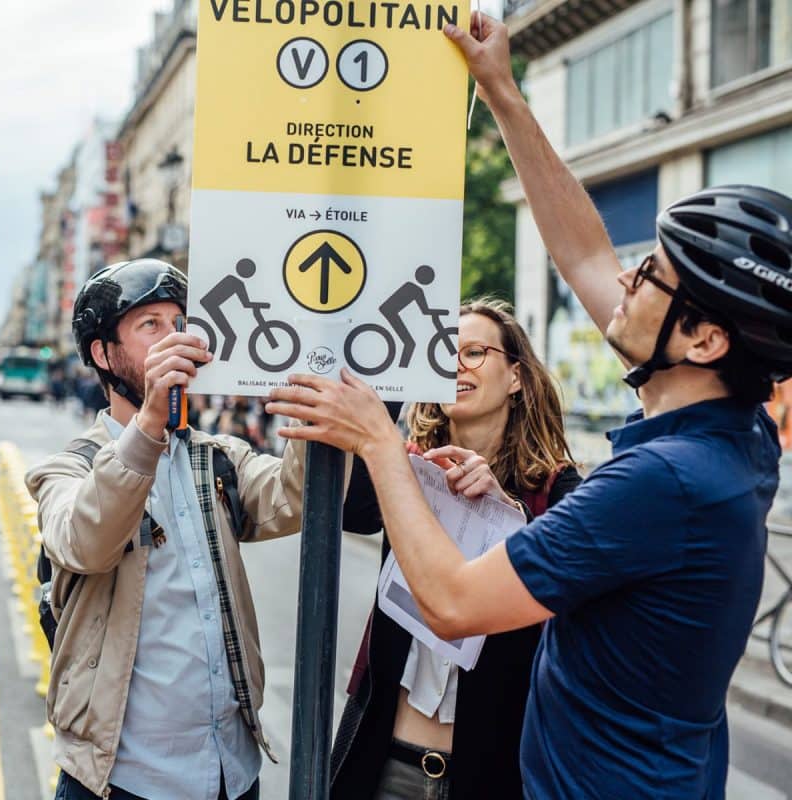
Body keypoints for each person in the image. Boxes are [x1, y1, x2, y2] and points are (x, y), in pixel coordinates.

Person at [267, 14, 792, 799]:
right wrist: (501, 91)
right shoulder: (736, 437)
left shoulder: (663, 481)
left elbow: (450, 603)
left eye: (652, 274)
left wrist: (378, 437)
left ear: (707, 340)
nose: (627, 279)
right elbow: (580, 251)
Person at [26, 259, 313, 800]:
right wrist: (151, 421)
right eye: (149, 324)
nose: (172, 336)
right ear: (103, 354)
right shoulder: (67, 469)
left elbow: (293, 497)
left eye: (179, 320)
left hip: (231, 773)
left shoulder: (216, 459)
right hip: (124, 779)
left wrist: (309, 403)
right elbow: (86, 540)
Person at [331, 299, 582, 799]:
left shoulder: (555, 490)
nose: (455, 365)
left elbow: (568, 593)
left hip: (493, 773)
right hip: (387, 763)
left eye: (474, 352)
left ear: (515, 376)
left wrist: (506, 509)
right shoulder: (404, 469)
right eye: (443, 354)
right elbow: (349, 509)